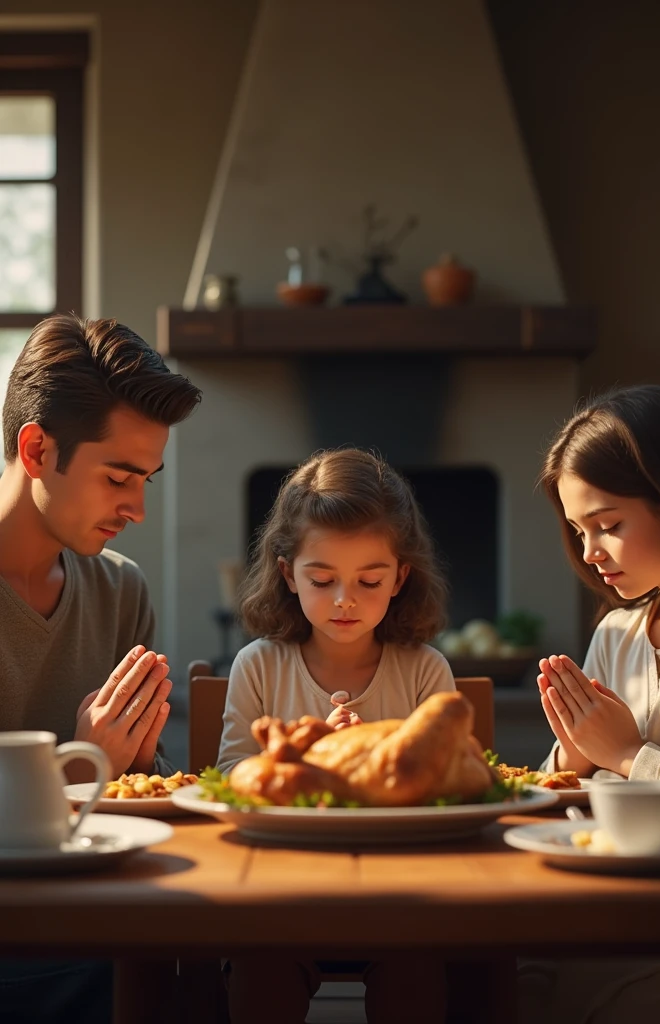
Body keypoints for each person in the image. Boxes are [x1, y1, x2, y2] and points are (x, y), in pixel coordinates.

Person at [0, 312, 201, 1024]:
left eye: (147, 478)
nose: (138, 509)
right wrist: (84, 769)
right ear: (35, 448)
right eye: (120, 476)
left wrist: (138, 761)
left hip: (110, 922)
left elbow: (135, 801)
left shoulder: (120, 589)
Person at [218, 447, 453, 1024]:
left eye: (368, 580)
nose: (345, 599)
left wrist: (369, 761)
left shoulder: (423, 669)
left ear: (400, 576)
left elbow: (449, 787)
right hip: (280, 890)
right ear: (286, 573)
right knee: (261, 967)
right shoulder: (259, 666)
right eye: (321, 579)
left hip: (403, 893)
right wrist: (309, 760)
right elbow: (228, 781)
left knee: (417, 969)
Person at [521, 384, 660, 1024]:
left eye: (609, 525)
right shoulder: (617, 634)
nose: (589, 552)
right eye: (578, 530)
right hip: (597, 915)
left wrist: (627, 754)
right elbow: (571, 797)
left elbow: (624, 760)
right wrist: (572, 756)